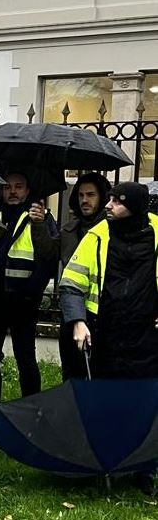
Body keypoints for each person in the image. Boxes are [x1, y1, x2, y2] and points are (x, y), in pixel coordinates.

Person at [59, 182, 158, 494]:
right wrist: (77, 321)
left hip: (146, 334)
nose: (108, 205)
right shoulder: (99, 234)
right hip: (105, 331)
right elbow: (71, 283)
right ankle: (107, 462)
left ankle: (145, 468)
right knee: (106, 398)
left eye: (117, 201)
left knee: (145, 401)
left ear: (136, 206)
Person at [0, 172, 59, 421]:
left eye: (18, 187)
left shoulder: (39, 217)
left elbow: (48, 260)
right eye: (7, 187)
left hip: (23, 301)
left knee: (26, 358)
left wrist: (30, 294)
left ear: (27, 190)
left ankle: (31, 412)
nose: (12, 192)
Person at [58, 173, 110, 381]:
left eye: (91, 195)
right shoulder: (70, 229)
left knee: (96, 375)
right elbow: (48, 252)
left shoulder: (109, 230)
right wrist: (40, 225)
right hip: (72, 311)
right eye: (80, 195)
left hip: (100, 314)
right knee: (71, 373)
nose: (84, 200)